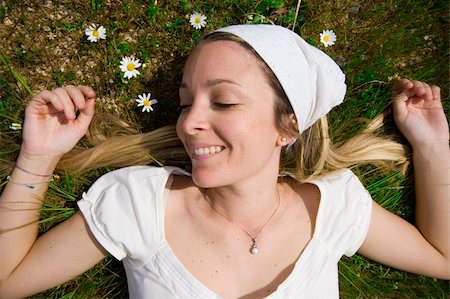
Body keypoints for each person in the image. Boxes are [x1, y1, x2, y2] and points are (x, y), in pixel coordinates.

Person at [0, 24, 448, 299]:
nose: (189, 123)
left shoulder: (335, 207)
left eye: (224, 102)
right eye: (184, 103)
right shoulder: (138, 204)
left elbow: (442, 258)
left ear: (287, 127)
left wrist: (431, 147)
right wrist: (38, 157)